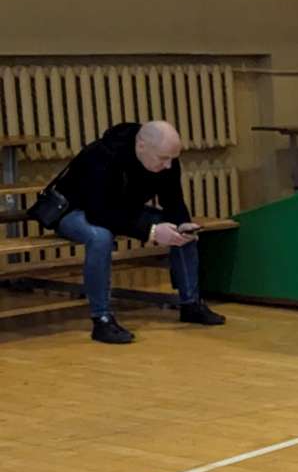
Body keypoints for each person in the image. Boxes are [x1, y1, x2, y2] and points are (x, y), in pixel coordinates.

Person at [48, 120, 225, 343]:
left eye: (173, 158)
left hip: (119, 209)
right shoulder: (101, 155)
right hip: (74, 210)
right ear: (141, 146)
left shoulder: (166, 159)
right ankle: (101, 318)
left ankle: (191, 304)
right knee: (100, 236)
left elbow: (174, 202)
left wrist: (182, 225)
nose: (169, 165)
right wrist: (152, 231)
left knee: (182, 231)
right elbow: (99, 213)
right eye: (163, 158)